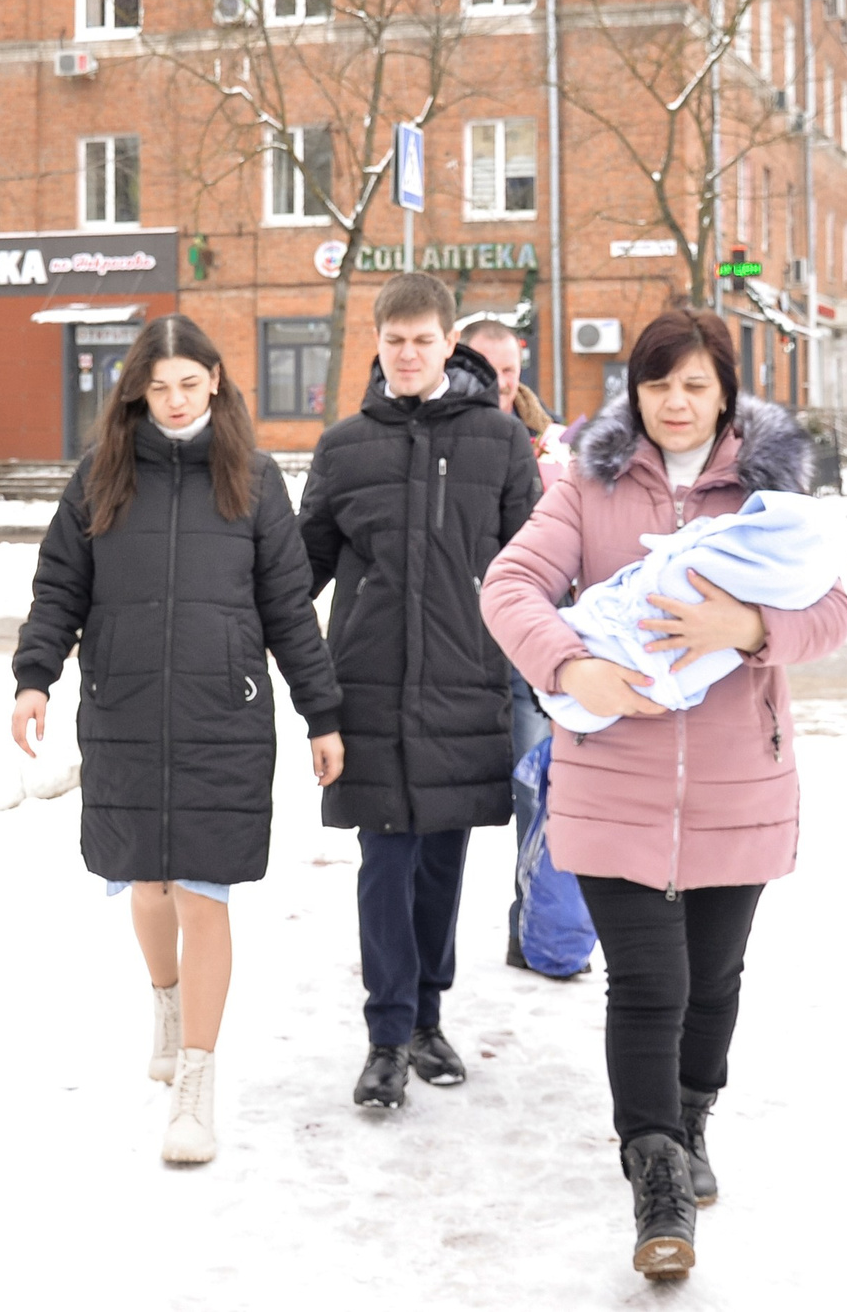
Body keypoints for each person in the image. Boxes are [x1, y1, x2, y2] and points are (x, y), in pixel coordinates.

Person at [481, 309, 847, 1282]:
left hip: (740, 777)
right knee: (649, 984)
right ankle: (653, 1174)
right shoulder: (585, 485)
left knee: (714, 982)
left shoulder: (770, 491)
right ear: (633, 395)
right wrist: (568, 669)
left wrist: (751, 628)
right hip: (611, 778)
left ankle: (691, 1119)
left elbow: (836, 606)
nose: (675, 404)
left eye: (693, 385)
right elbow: (510, 586)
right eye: (657, 386)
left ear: (725, 391)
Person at [10, 314, 343, 1165]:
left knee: (205, 891)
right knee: (147, 886)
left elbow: (290, 609)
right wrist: (34, 677)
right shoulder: (101, 476)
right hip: (124, 709)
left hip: (220, 716)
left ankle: (197, 1076)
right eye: (158, 387)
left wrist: (323, 713)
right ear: (137, 393)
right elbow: (59, 586)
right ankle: (166, 1000)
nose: (175, 399)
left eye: (189, 383)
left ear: (216, 383)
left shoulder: (254, 479)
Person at [301, 274, 541, 1110]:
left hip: (465, 683)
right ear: (378, 343)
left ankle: (427, 1017)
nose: (407, 353)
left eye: (421, 339)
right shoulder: (342, 447)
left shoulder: (500, 443)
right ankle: (385, 1036)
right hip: (367, 688)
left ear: (449, 344)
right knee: (384, 862)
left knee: (442, 863)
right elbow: (303, 568)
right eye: (393, 339)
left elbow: (531, 568)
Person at [457, 319, 583, 979]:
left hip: (532, 638)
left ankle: (536, 927)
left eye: (509, 368)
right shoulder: (446, 436)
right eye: (487, 366)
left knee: (541, 784)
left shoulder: (551, 441)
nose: (500, 381)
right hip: (461, 637)